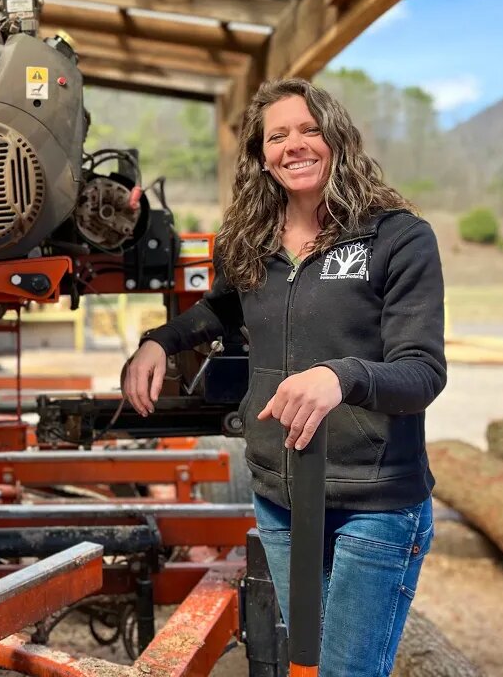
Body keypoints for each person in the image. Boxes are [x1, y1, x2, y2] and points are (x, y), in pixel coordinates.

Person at [123, 79, 445, 676]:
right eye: (278, 136)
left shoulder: (397, 237)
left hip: (371, 502)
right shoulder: (250, 240)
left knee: (346, 672)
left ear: (337, 138)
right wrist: (159, 342)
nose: (294, 145)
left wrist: (340, 377)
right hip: (281, 495)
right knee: (308, 664)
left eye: (309, 129)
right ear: (260, 154)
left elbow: (422, 372)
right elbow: (224, 306)